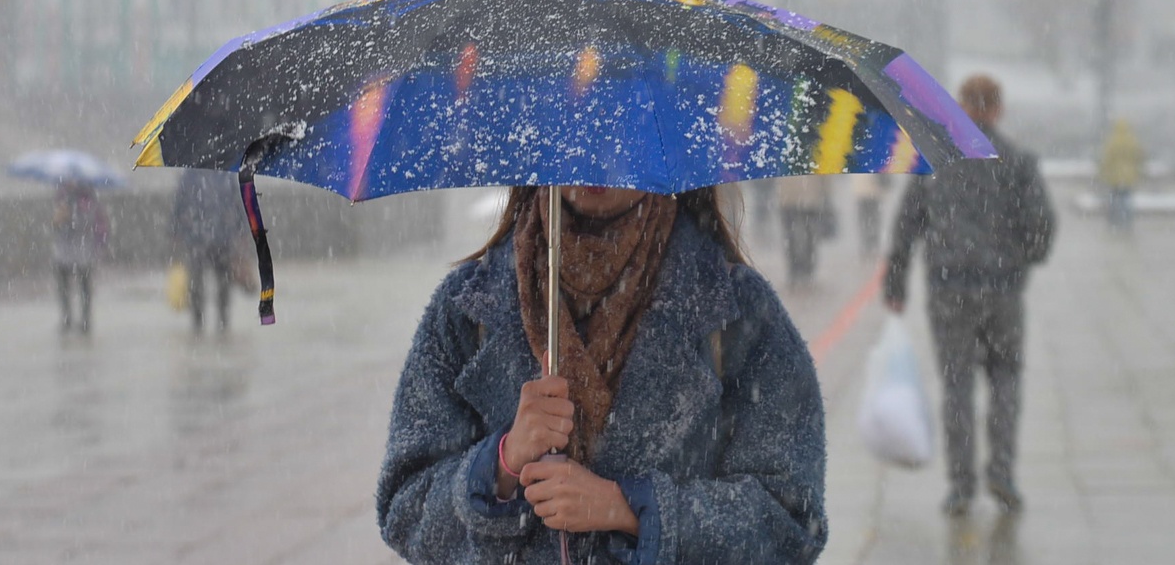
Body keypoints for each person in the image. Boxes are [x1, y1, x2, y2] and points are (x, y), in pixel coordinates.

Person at [376, 184, 827, 563]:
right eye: (577, 121)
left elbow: (790, 520)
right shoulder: (467, 308)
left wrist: (630, 509)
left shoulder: (737, 310)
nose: (595, 155)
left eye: (619, 129)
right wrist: (502, 463)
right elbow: (404, 508)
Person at [884, 74, 1054, 518]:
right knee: (1005, 378)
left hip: (949, 288)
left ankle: (961, 486)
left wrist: (896, 281)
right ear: (998, 109)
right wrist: (1020, 260)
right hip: (1002, 291)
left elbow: (907, 224)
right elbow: (1042, 226)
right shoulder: (1017, 161)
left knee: (956, 384)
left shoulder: (936, 159)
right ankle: (1002, 471)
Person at [172, 168, 243, 333]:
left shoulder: (225, 176)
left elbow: (237, 206)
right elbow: (179, 206)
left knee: (224, 284)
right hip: (197, 239)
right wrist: (175, 231)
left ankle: (222, 321)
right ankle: (198, 322)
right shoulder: (189, 177)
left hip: (221, 239)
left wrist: (240, 232)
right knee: (196, 284)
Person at [50, 180, 108, 335]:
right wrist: (60, 218)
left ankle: (85, 319)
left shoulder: (88, 198)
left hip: (83, 251)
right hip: (64, 251)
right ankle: (67, 316)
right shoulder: (61, 196)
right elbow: (55, 224)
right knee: (63, 285)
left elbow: (97, 223)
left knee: (85, 286)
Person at [775, 174, 834, 287]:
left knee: (791, 235)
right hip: (809, 195)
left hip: (788, 196)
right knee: (809, 234)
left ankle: (795, 269)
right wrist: (826, 192)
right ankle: (807, 269)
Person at [1097, 117, 1145, 230]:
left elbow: (1106, 159)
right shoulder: (1132, 140)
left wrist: (1103, 173)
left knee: (1114, 197)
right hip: (1129, 176)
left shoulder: (1112, 141)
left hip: (1114, 176)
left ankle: (1114, 219)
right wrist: (1138, 171)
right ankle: (1127, 219)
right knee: (1127, 198)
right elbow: (1139, 157)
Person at [848, 172, 885, 256]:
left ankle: (868, 245)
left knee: (865, 221)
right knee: (872, 221)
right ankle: (870, 245)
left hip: (863, 192)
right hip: (871, 193)